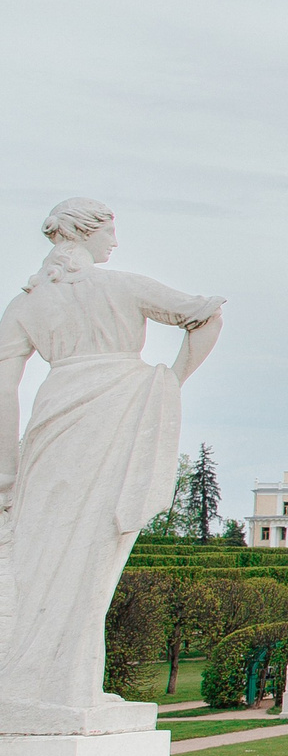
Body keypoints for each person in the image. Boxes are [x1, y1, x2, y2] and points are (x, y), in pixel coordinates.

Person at [0, 198, 222, 721]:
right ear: (88, 231)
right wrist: (168, 380)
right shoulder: (121, 285)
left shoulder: (25, 305)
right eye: (111, 232)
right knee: (94, 554)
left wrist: (6, 469)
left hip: (53, 421)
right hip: (117, 414)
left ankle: (50, 683)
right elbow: (207, 314)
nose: (115, 243)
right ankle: (60, 687)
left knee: (38, 555)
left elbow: (4, 388)